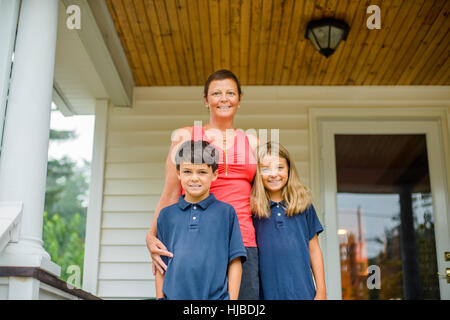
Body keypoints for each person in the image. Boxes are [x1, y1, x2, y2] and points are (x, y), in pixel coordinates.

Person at [146, 69, 261, 299]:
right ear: (205, 100)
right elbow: (170, 194)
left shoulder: (253, 142)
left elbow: (263, 198)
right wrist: (152, 235)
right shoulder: (186, 137)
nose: (224, 98)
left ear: (239, 99)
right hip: (196, 240)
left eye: (230, 93)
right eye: (216, 93)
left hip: (244, 241)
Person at [155, 140, 246, 300]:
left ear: (215, 174)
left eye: (202, 172)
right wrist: (159, 297)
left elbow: (235, 261)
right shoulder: (166, 215)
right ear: (178, 173)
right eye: (188, 171)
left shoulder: (226, 213)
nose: (194, 178)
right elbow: (160, 263)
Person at [251, 142, 327, 300]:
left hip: (303, 292)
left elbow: (314, 249)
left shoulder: (303, 204)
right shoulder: (252, 209)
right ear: (257, 173)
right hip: (267, 293)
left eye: (280, 167)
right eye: (265, 169)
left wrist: (321, 291)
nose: (274, 174)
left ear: (289, 169)